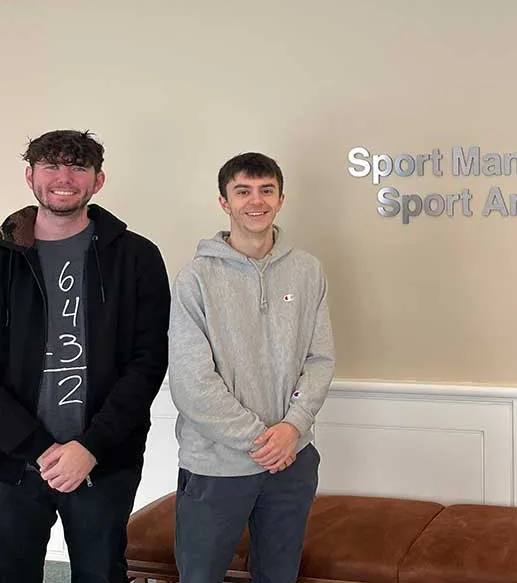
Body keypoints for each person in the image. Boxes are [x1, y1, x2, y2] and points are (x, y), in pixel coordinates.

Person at [0, 129, 171, 581]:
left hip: (103, 461)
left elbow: (148, 361)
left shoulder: (137, 257)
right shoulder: (2, 259)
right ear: (30, 176)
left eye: (78, 167)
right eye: (51, 165)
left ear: (97, 181)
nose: (64, 177)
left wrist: (90, 447)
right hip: (11, 461)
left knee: (102, 574)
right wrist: (37, 448)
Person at [169, 151, 335, 582]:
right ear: (225, 202)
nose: (255, 201)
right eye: (242, 191)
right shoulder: (196, 278)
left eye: (266, 190)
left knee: (279, 575)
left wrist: (292, 429)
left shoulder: (308, 271)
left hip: (292, 460)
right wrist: (262, 441)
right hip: (217, 465)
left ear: (281, 199)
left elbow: (320, 359)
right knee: (200, 576)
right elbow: (191, 382)